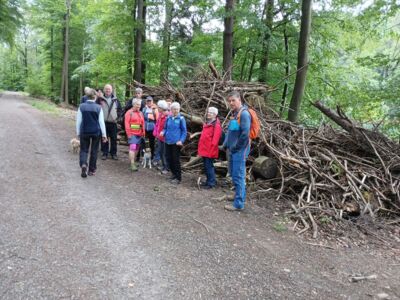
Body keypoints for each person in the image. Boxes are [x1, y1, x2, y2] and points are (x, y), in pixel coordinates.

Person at [223, 91, 251, 211]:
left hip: (240, 150)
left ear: (239, 99)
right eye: (229, 101)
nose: (231, 103)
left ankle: (239, 204)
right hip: (233, 149)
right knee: (234, 175)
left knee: (239, 176)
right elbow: (231, 132)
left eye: (233, 100)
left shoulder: (244, 114)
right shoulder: (236, 114)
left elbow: (245, 134)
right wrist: (226, 145)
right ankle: (237, 196)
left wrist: (236, 148)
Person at [76, 88, 107, 178]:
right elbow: (101, 122)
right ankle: (91, 170)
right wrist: (104, 135)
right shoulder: (98, 107)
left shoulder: (81, 106)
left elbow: (78, 121)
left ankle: (83, 164)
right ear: (95, 97)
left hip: (84, 131)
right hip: (96, 132)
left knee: (84, 149)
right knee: (94, 151)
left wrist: (78, 132)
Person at [161, 102, 187, 184]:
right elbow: (165, 128)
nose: (176, 111)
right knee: (168, 159)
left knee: (175, 160)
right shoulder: (168, 118)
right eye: (174, 109)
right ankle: (173, 174)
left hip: (176, 143)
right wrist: (163, 132)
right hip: (167, 141)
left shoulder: (181, 119)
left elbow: (184, 131)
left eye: (177, 109)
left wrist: (181, 140)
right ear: (171, 110)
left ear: (179, 110)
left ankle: (178, 178)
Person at [198, 107, 222, 189]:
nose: (208, 114)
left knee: (209, 166)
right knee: (206, 166)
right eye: (208, 112)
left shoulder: (216, 125)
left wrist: (210, 152)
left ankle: (211, 183)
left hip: (210, 150)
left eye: (211, 113)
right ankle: (209, 181)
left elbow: (215, 141)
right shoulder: (208, 123)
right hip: (205, 149)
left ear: (215, 115)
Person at [97, 84, 122, 160]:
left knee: (114, 139)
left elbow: (120, 110)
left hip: (113, 123)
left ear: (111, 90)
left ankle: (113, 153)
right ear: (104, 90)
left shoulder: (116, 99)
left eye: (109, 89)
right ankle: (105, 153)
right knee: (104, 138)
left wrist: (117, 118)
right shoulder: (100, 99)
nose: (108, 90)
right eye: (106, 89)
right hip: (103, 122)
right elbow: (96, 109)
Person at [125, 98, 145, 172]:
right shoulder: (129, 113)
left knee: (136, 148)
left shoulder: (140, 113)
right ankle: (132, 164)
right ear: (133, 104)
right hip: (132, 134)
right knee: (132, 148)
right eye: (137, 104)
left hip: (139, 134)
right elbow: (127, 124)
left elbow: (143, 123)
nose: (138, 106)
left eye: (139, 105)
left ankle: (132, 162)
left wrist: (143, 132)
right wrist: (129, 134)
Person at [153, 100, 169, 174]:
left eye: (159, 107)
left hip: (165, 138)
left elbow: (167, 128)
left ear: (162, 108)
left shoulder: (167, 116)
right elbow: (158, 124)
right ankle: (163, 166)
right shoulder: (160, 115)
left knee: (164, 153)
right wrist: (156, 133)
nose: (157, 109)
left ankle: (166, 167)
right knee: (161, 152)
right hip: (160, 137)